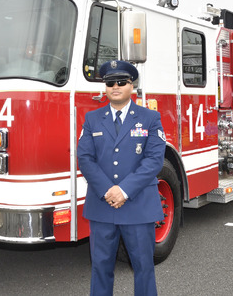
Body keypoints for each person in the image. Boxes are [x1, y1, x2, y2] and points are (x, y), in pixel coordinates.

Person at [77, 60, 166, 296]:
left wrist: (123, 190)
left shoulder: (150, 118)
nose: (114, 86)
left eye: (121, 82)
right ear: (104, 88)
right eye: (109, 83)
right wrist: (108, 190)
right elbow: (85, 158)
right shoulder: (92, 119)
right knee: (100, 268)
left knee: (144, 268)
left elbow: (154, 160)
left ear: (132, 86)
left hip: (138, 206)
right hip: (102, 206)